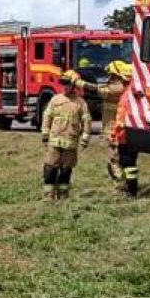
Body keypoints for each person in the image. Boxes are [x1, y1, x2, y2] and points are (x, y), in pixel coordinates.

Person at [78, 60, 141, 196]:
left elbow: (99, 91)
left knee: (115, 163)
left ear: (120, 76)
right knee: (122, 163)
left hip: (116, 133)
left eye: (112, 75)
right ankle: (127, 187)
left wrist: (79, 83)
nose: (109, 78)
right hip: (119, 132)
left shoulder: (118, 89)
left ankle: (121, 189)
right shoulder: (126, 87)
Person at [39, 72, 92, 201]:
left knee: (66, 170)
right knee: (50, 168)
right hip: (54, 142)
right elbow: (47, 116)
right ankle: (48, 196)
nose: (65, 87)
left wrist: (85, 138)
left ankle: (63, 196)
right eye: (63, 84)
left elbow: (86, 121)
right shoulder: (55, 99)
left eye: (67, 84)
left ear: (74, 86)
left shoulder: (80, 103)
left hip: (71, 142)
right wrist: (45, 133)